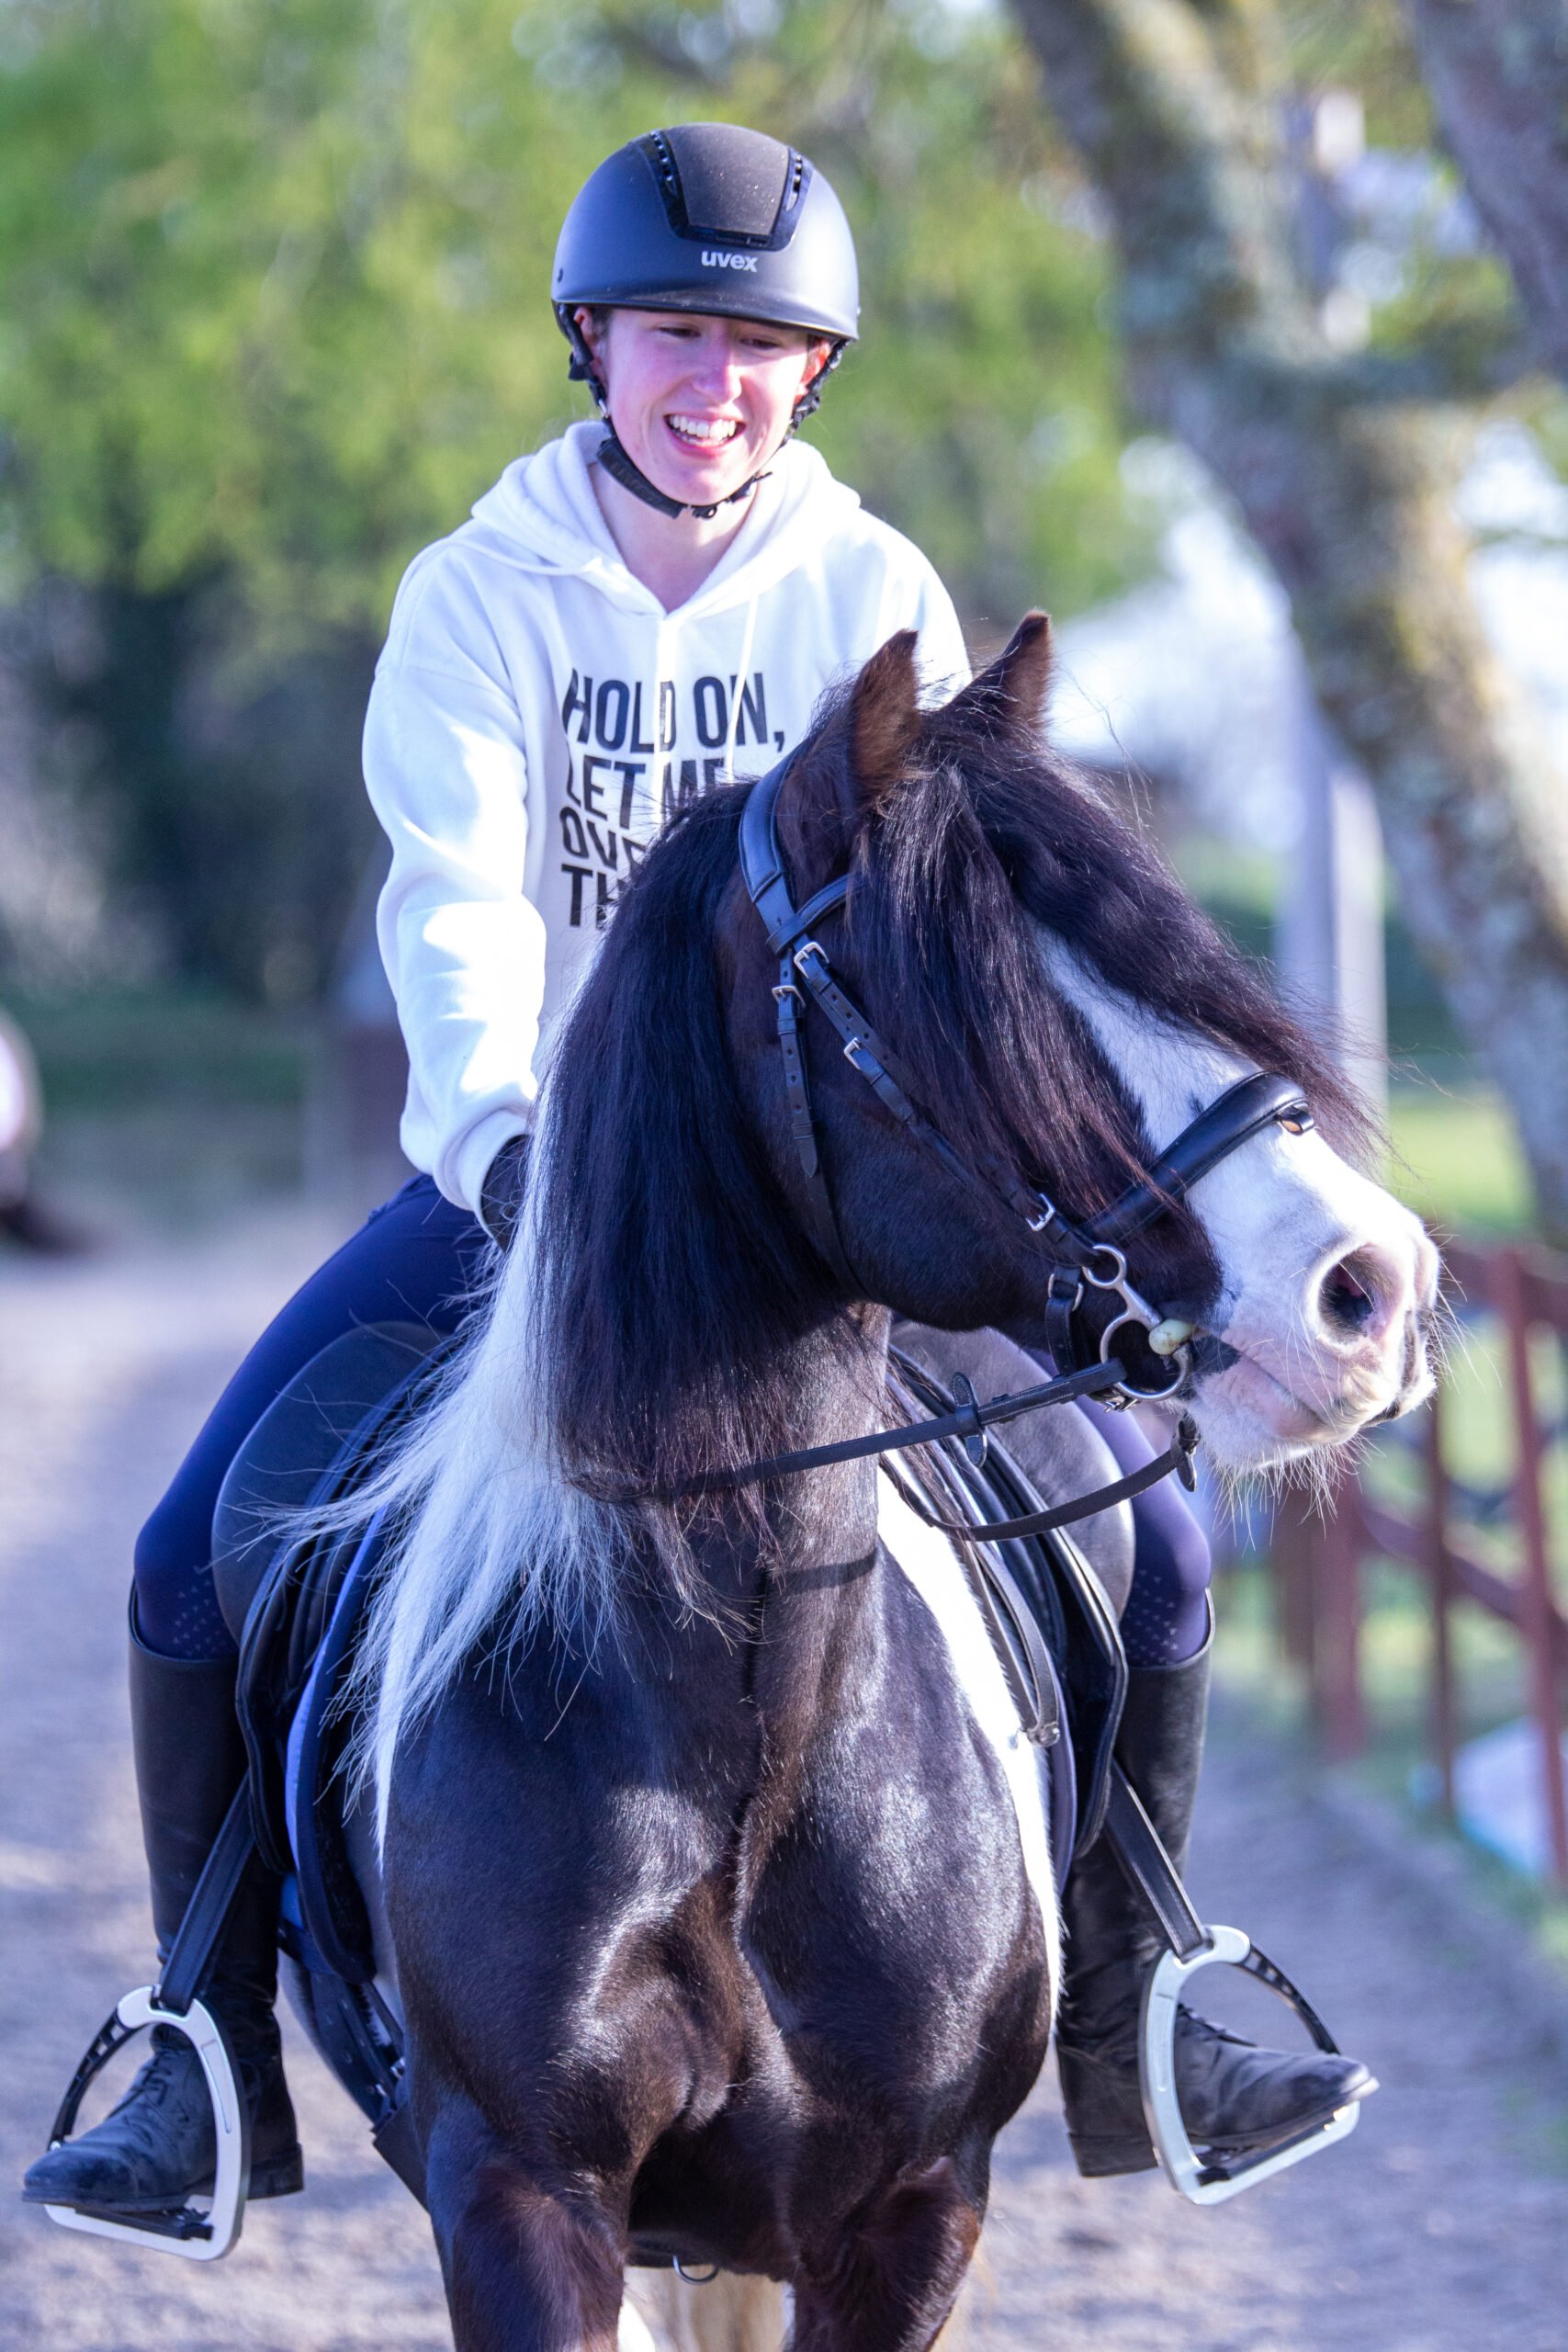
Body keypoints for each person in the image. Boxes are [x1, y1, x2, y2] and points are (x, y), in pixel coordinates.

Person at [26, 122, 1365, 2222]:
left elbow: (969, 940)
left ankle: (1137, 1993)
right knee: (198, 1550)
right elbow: (450, 907)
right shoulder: (473, 599)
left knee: (1162, 1550)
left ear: (808, 369)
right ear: (593, 340)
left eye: (759, 343)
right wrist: (505, 1148)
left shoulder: (870, 599)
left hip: (832, 1213)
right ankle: (203, 2047)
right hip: (532, 1205)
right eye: (674, 333)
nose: (712, 380)